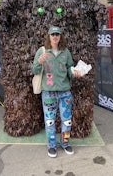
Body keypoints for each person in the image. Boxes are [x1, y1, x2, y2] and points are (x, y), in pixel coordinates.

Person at [31, 26, 81, 158]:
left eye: (57, 34)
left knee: (67, 121)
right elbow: (34, 70)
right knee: (49, 121)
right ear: (48, 36)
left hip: (65, 92)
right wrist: (39, 62)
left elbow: (70, 68)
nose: (55, 36)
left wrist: (75, 73)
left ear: (60, 36)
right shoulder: (42, 51)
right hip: (48, 93)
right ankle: (51, 146)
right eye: (52, 34)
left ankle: (65, 143)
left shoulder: (66, 52)